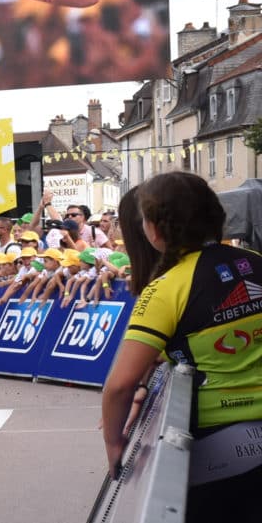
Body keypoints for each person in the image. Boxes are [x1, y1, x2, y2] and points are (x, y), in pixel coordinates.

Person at [102, 173, 262, 519]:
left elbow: (119, 386)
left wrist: (114, 443)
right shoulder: (255, 260)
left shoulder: (166, 288)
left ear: (154, 232)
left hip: (219, 440)